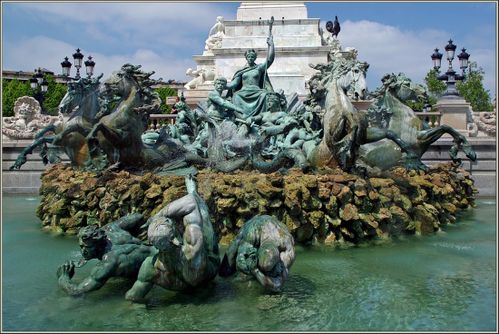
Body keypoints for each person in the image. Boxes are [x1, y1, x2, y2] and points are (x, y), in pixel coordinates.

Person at [125, 174, 220, 302]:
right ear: (175, 237)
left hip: (177, 283)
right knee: (203, 216)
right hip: (205, 274)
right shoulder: (192, 250)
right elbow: (190, 203)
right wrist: (157, 216)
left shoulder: (149, 267)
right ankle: (193, 189)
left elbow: (132, 297)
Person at [56, 213, 156, 296]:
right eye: (81, 246)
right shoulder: (110, 229)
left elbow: (76, 292)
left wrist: (63, 277)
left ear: (99, 246)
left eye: (86, 247)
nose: (83, 251)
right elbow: (138, 217)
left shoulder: (108, 263)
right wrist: (141, 234)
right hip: (153, 249)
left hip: (155, 265)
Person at [219, 215, 295, 292]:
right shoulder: (252, 232)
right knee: (225, 271)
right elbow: (240, 261)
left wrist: (255, 271)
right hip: (256, 225)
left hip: (276, 230)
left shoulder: (287, 252)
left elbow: (277, 285)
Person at [226, 34, 275, 120]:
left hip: (257, 91)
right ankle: (241, 118)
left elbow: (270, 59)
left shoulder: (259, 68)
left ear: (255, 58)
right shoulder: (241, 71)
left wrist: (271, 45)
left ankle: (260, 119)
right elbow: (234, 84)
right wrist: (225, 86)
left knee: (264, 95)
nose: (250, 58)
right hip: (243, 91)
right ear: (246, 58)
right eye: (249, 56)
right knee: (236, 96)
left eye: (252, 57)